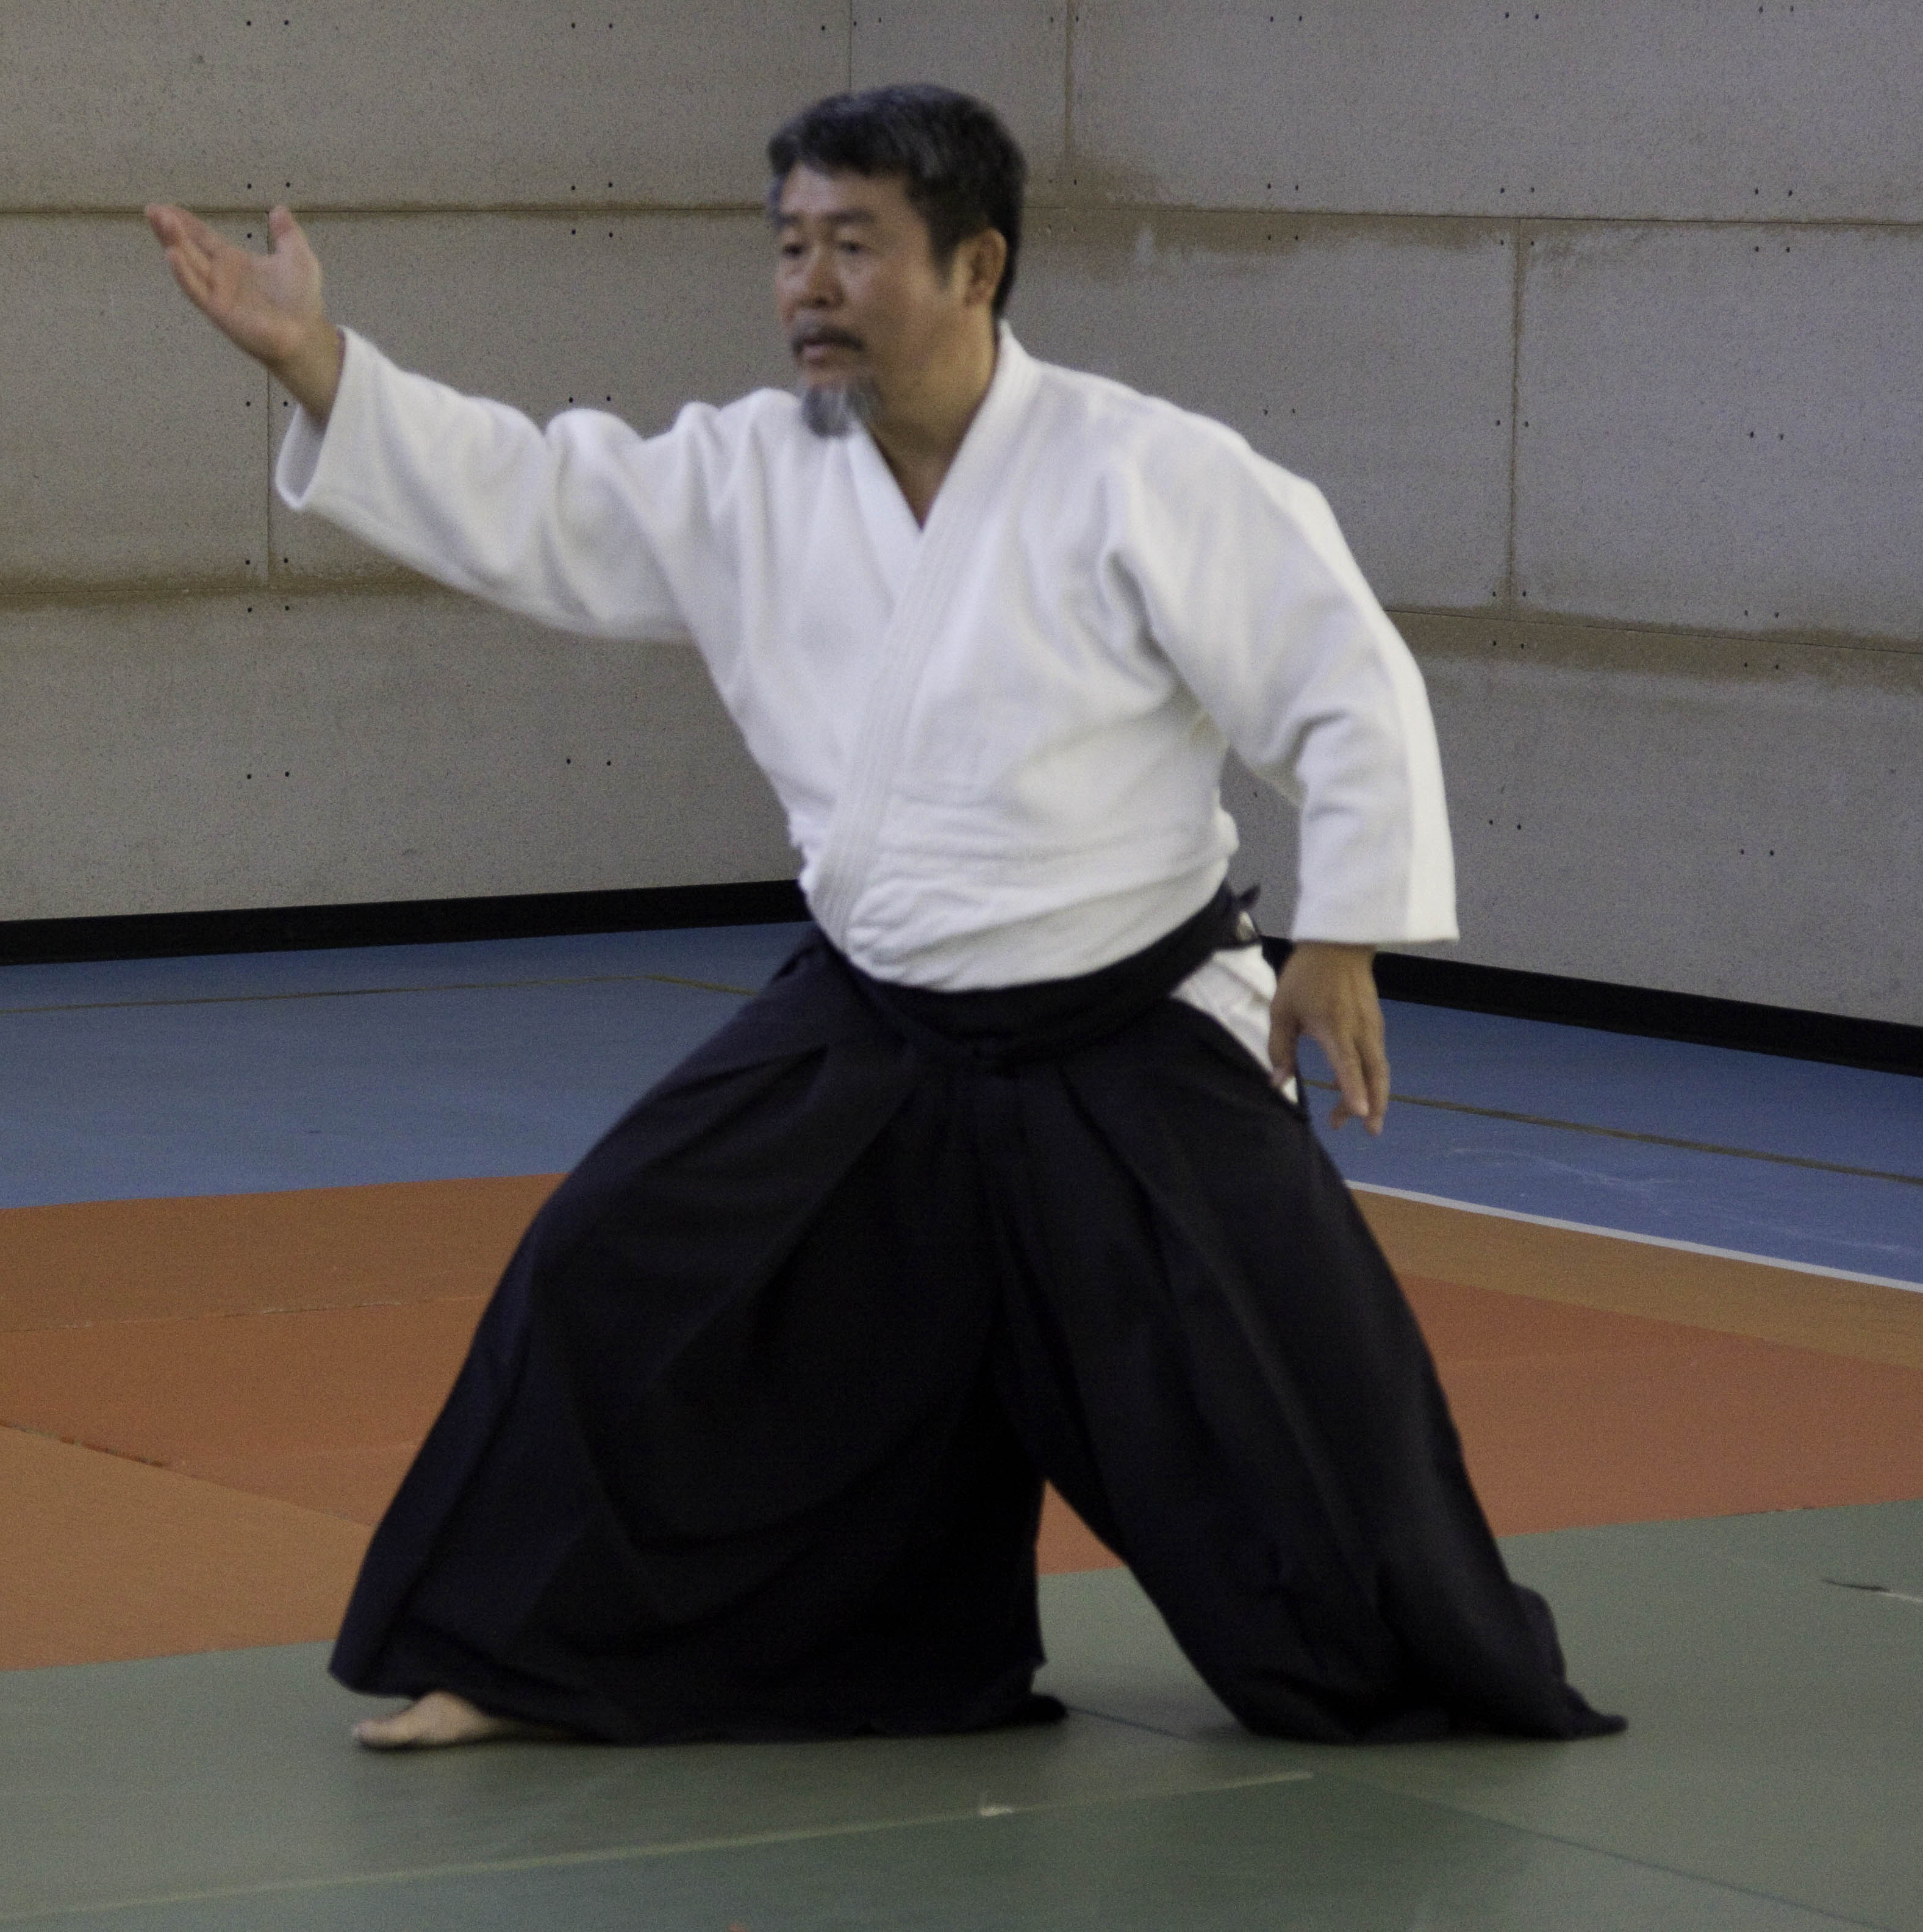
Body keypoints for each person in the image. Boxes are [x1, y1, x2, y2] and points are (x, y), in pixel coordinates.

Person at [145, 85, 1622, 1751]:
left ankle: (1415, 1657)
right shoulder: (749, 476)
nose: (809, 287)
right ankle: (530, 1660)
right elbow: (538, 500)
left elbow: (1344, 684)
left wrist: (1341, 936)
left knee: (1288, 1398)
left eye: (854, 247)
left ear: (976, 264)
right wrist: (316, 362)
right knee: (609, 1272)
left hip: (1124, 1023)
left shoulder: (1143, 472)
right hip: (880, 1014)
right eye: (790, 247)